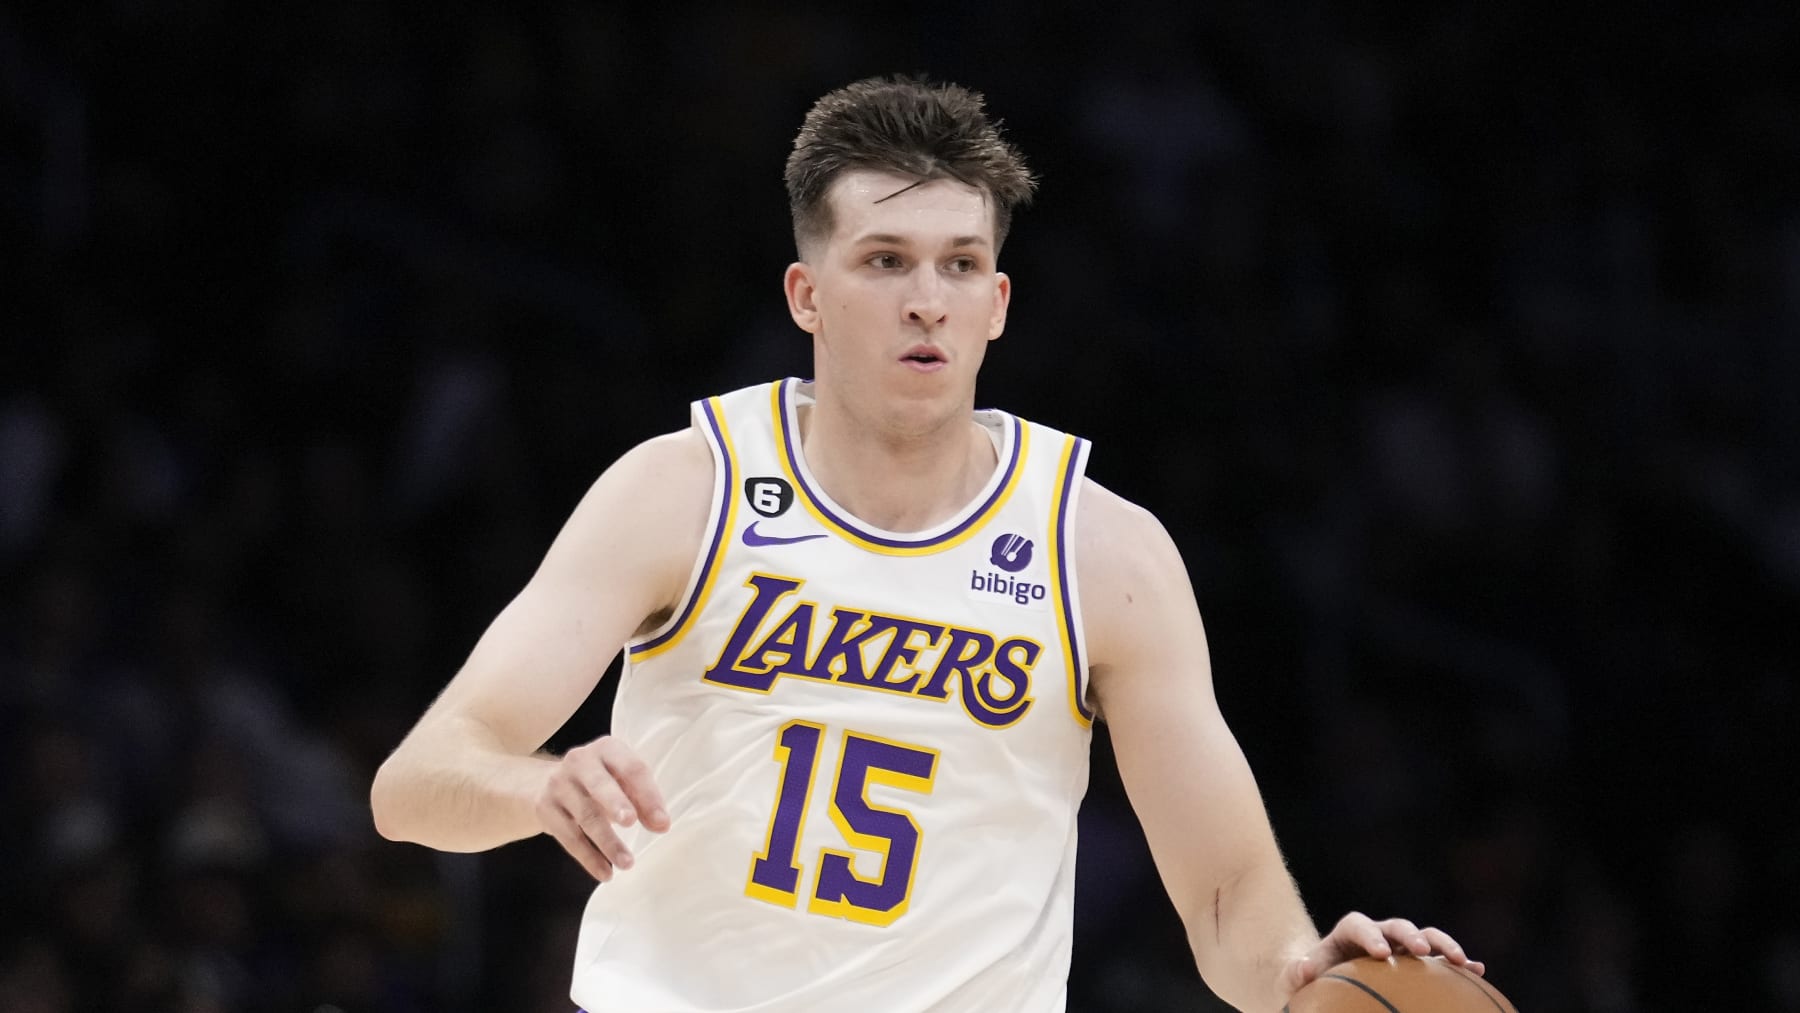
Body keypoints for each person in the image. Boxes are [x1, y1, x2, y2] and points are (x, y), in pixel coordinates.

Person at [370, 75, 1485, 1011]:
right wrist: (542, 784)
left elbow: (1228, 889)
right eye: (886, 260)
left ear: (998, 302)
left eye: (959, 265)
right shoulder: (684, 490)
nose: (927, 302)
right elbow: (415, 782)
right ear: (807, 292)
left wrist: (1302, 971)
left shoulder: (1104, 551)